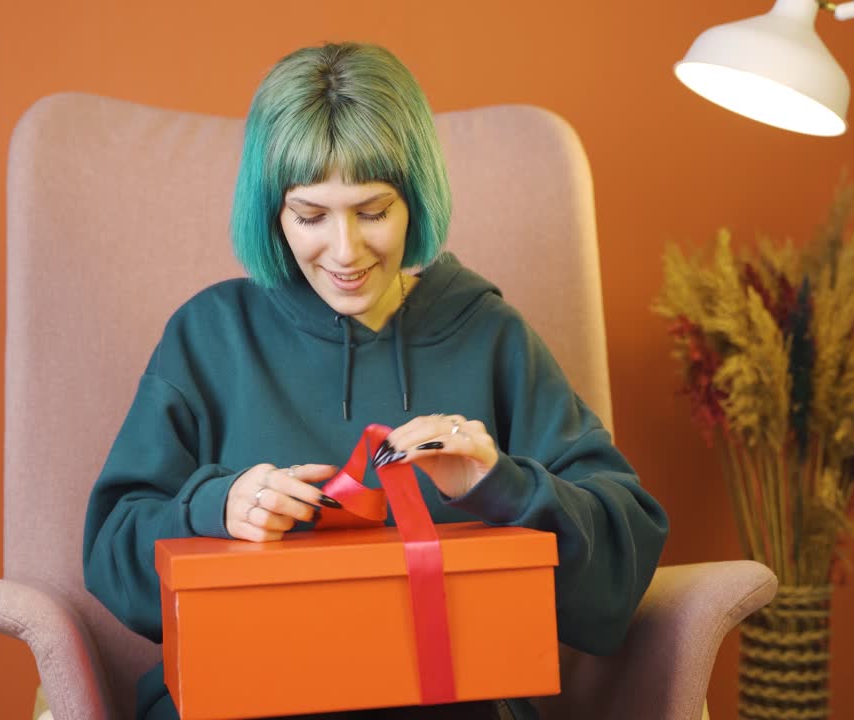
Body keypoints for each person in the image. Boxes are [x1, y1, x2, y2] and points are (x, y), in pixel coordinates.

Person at [82, 42, 669, 720]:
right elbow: (112, 551)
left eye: (371, 211)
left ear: (415, 198)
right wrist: (216, 507)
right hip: (242, 700)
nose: (344, 252)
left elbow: (624, 558)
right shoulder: (209, 335)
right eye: (310, 216)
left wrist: (501, 486)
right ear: (271, 212)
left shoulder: (490, 335)